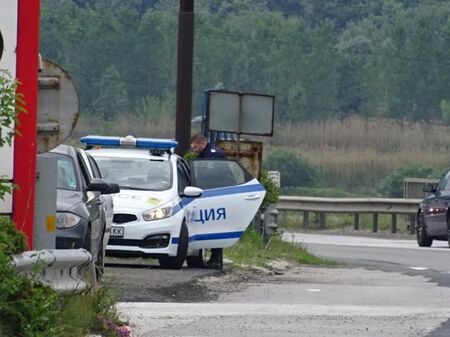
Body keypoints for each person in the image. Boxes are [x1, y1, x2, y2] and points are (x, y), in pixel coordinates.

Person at [189, 134, 226, 269]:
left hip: (216, 195)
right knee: (205, 226)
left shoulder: (213, 155)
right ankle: (206, 258)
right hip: (209, 195)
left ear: (202, 143)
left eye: (195, 147)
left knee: (215, 226)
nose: (194, 150)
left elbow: (210, 177)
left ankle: (216, 259)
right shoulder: (205, 155)